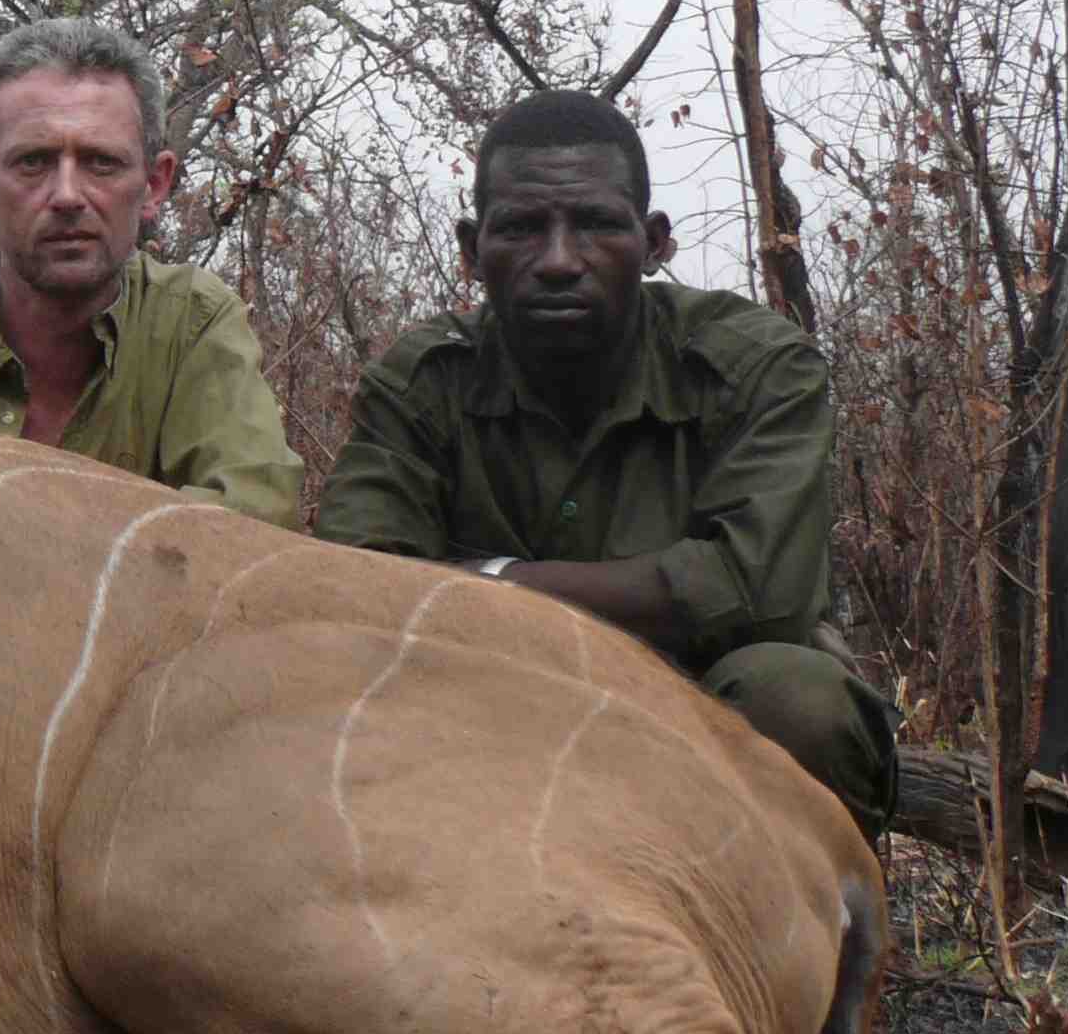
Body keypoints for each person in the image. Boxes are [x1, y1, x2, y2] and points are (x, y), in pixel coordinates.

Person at [312, 88, 897, 829]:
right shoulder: (424, 379)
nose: (559, 261)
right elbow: (352, 584)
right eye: (522, 227)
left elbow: (760, 593)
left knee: (798, 698)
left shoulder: (754, 367)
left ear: (654, 242)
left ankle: (802, 938)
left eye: (594, 224)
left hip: (693, 709)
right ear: (471, 249)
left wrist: (489, 582)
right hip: (475, 702)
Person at [0, 18, 303, 526]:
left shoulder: (193, 328)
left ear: (154, 183)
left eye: (101, 163)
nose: (66, 195)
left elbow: (255, 517)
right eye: (33, 162)